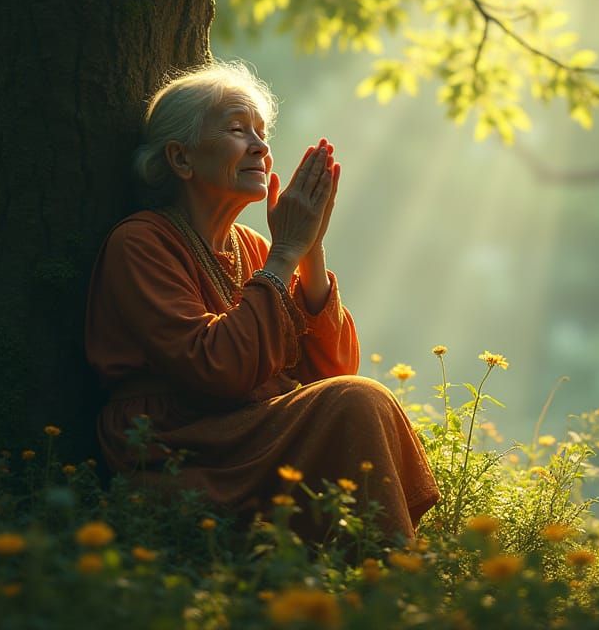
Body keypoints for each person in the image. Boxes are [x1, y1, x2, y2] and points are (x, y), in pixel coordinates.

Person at [84, 60, 439, 541]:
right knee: (358, 400)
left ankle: (371, 579)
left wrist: (309, 252)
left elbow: (331, 374)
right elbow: (216, 369)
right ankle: (390, 580)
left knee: (356, 397)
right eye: (237, 129)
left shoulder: (253, 247)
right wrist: (286, 252)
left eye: (262, 132)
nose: (261, 147)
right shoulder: (142, 242)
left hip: (249, 432)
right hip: (184, 446)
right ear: (181, 160)